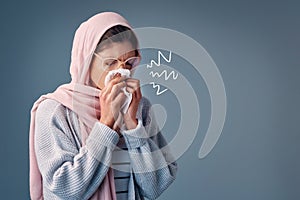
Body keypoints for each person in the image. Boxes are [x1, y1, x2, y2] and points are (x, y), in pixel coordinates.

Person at [29, 12, 177, 200]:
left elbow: (155, 187)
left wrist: (133, 127)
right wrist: (106, 125)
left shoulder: (139, 107)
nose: (120, 71)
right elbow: (65, 189)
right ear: (86, 61)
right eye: (109, 63)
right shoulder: (55, 110)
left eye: (129, 63)